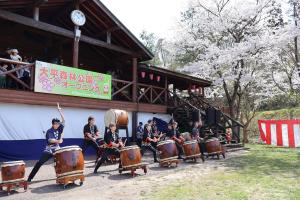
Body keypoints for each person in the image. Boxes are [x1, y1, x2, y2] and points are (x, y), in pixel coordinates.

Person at [27, 103, 65, 182]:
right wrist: (58, 141)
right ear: (53, 124)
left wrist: (60, 111)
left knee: (62, 162)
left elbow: (64, 121)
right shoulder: (49, 131)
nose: (58, 125)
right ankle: (30, 178)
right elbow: (50, 140)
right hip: (49, 150)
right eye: (56, 124)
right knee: (39, 163)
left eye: (58, 123)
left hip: (57, 149)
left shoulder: (59, 128)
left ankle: (62, 177)